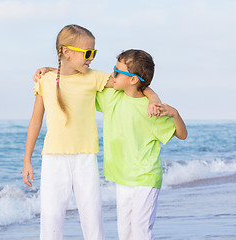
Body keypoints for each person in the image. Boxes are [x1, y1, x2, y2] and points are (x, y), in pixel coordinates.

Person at [23, 24, 159, 240]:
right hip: (53, 159)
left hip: (86, 158)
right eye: (88, 53)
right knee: (51, 220)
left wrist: (154, 98)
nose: (91, 58)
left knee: (92, 219)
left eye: (93, 53)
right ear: (66, 52)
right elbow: (35, 120)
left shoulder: (94, 77)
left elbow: (132, 81)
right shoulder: (45, 81)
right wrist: (27, 160)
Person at [95, 49, 188, 240]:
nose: (112, 74)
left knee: (140, 231)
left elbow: (182, 135)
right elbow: (85, 81)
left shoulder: (151, 110)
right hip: (122, 177)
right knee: (125, 232)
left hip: (146, 177)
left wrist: (175, 114)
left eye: (117, 71)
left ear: (133, 79)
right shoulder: (111, 97)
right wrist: (51, 70)